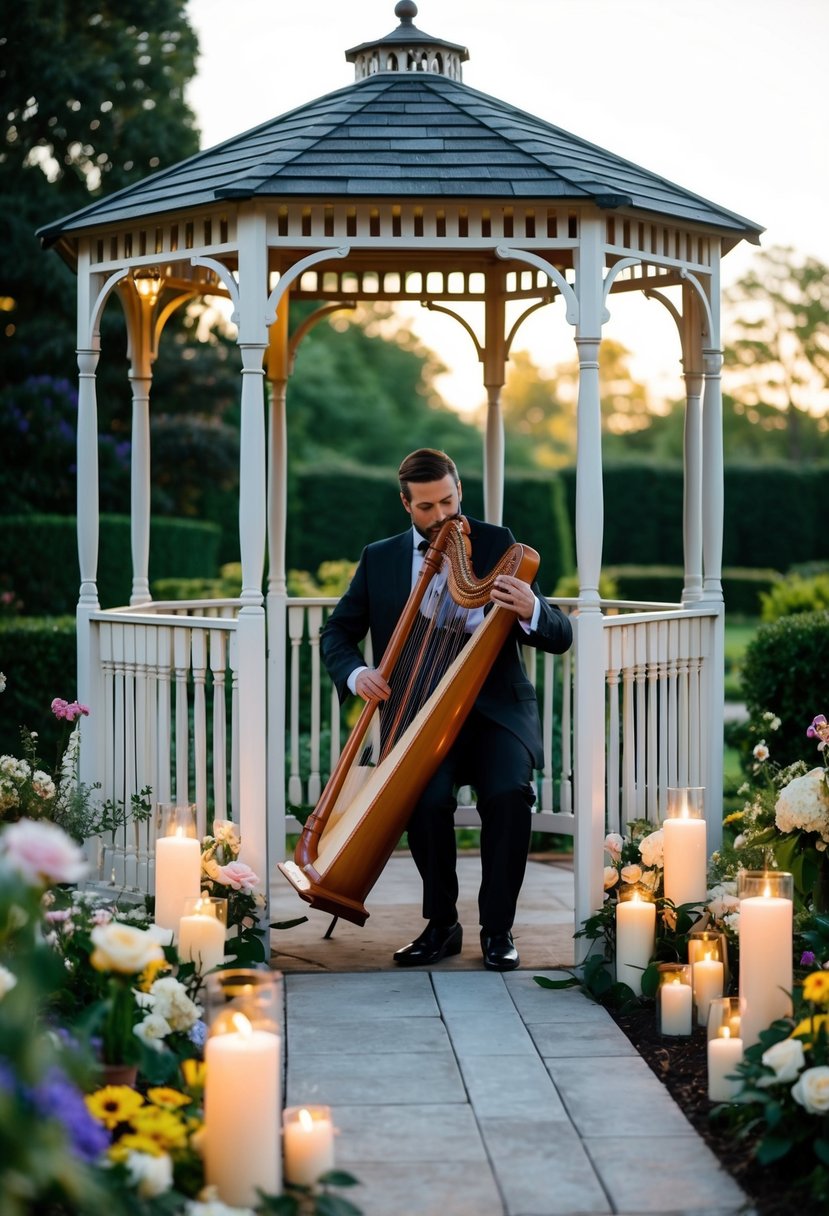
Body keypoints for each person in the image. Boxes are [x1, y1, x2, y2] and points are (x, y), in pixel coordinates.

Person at [320, 449, 573, 970]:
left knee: (508, 793)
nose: (441, 518)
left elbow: (561, 636)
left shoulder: (500, 545)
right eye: (427, 507)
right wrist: (356, 673)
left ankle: (498, 930)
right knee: (423, 800)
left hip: (497, 715)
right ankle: (441, 926)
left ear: (460, 492)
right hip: (418, 720)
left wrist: (532, 610)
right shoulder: (381, 558)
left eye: (449, 503)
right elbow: (338, 632)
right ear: (406, 504)